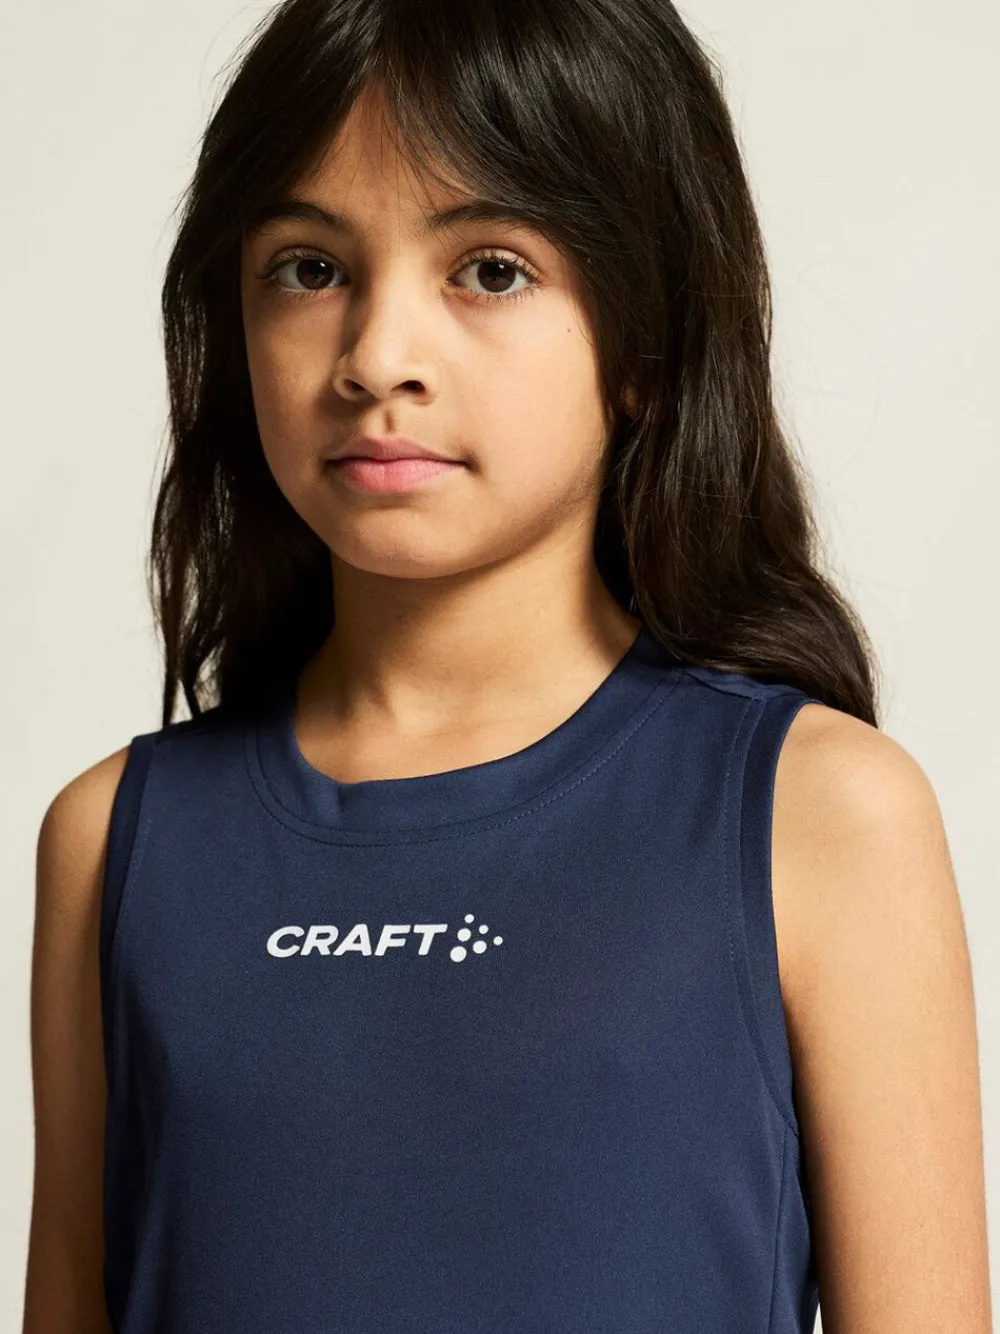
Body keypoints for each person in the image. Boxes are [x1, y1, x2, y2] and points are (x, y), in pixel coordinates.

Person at [23, 0, 990, 1331]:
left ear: (645, 342)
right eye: (309, 267)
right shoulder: (113, 842)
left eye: (489, 269)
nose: (378, 358)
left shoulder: (819, 815)